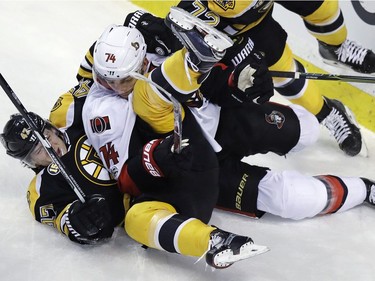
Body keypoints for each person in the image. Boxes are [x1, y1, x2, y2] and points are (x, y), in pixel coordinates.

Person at [82, 12, 269, 268]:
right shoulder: (100, 109)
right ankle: (214, 241)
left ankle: (197, 61)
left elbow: (215, 89)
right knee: (136, 220)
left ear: (143, 64)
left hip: (203, 144)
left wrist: (233, 82)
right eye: (105, 79)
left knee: (291, 136)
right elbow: (126, 181)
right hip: (182, 186)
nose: (113, 87)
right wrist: (156, 156)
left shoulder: (156, 64)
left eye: (123, 79)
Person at [132, 0, 370, 157]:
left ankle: (336, 47)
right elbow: (184, 25)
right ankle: (327, 111)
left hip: (252, 15)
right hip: (240, 32)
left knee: (322, 6)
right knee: (284, 74)